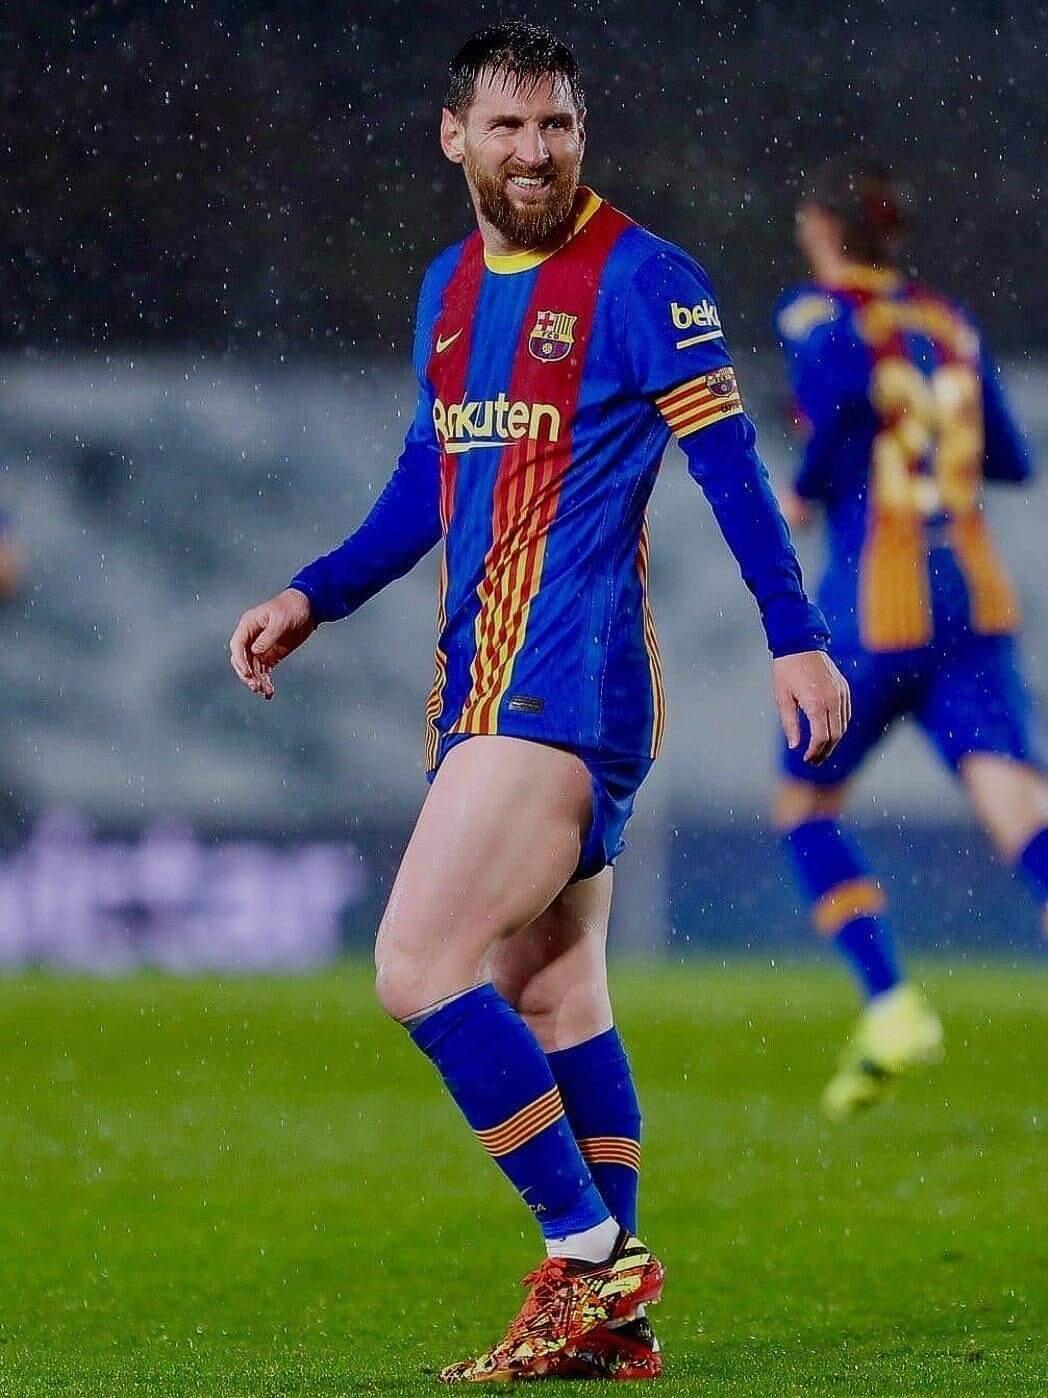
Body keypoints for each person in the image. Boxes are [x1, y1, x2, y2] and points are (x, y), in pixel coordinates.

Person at [230, 23, 846, 1383]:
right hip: (487, 676)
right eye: (507, 126)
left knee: (415, 966)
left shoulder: (642, 277)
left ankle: (589, 1254)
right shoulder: (450, 287)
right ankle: (606, 1319)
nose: (534, 150)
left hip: (564, 678)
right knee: (551, 987)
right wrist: (316, 593)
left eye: (556, 124)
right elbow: (428, 480)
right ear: (454, 136)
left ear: (581, 133)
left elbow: (733, 469)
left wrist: (796, 639)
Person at [773, 154, 1044, 1121]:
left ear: (824, 229)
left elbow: (840, 399)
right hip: (973, 602)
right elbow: (1011, 459)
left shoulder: (817, 316)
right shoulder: (952, 323)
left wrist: (808, 484)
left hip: (876, 608)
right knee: (1021, 813)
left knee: (805, 808)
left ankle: (890, 1004)